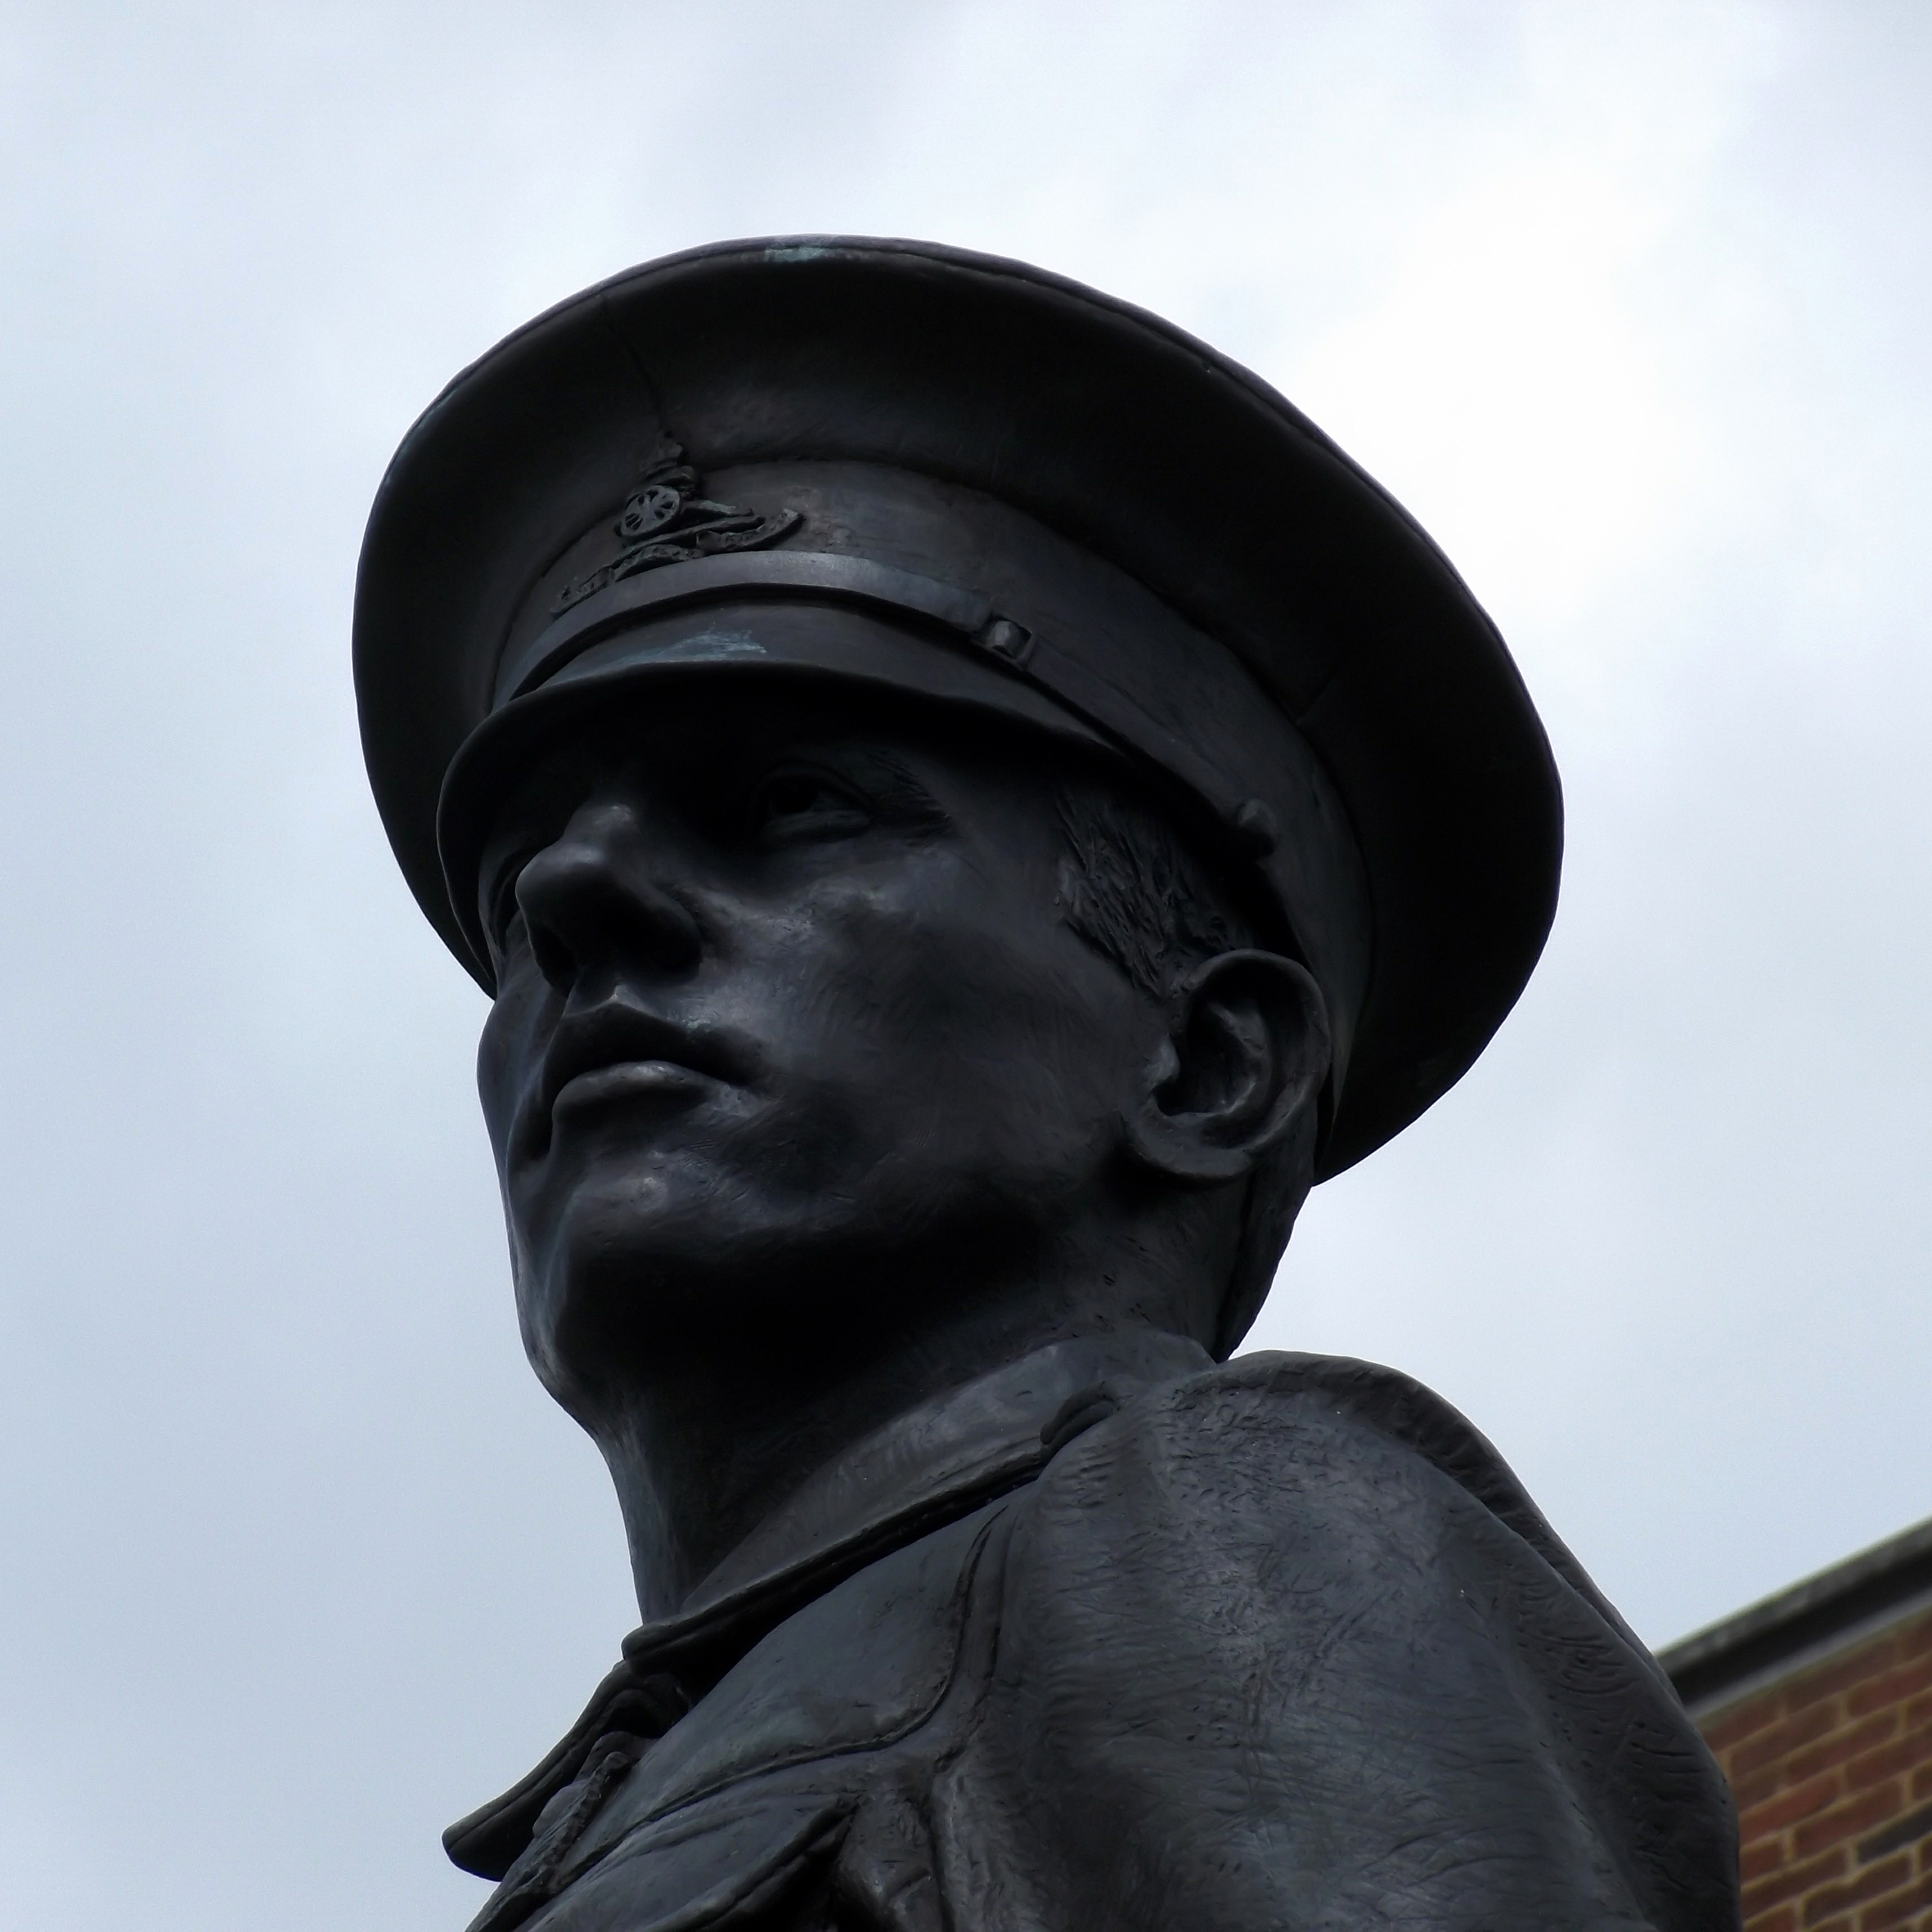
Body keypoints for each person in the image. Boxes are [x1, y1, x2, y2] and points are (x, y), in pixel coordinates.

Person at [354, 238, 1740, 1932]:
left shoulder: (1226, 1528)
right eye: (513, 899)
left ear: (1209, 1061)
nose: (569, 906)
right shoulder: (643, 1797)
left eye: (790, 805)